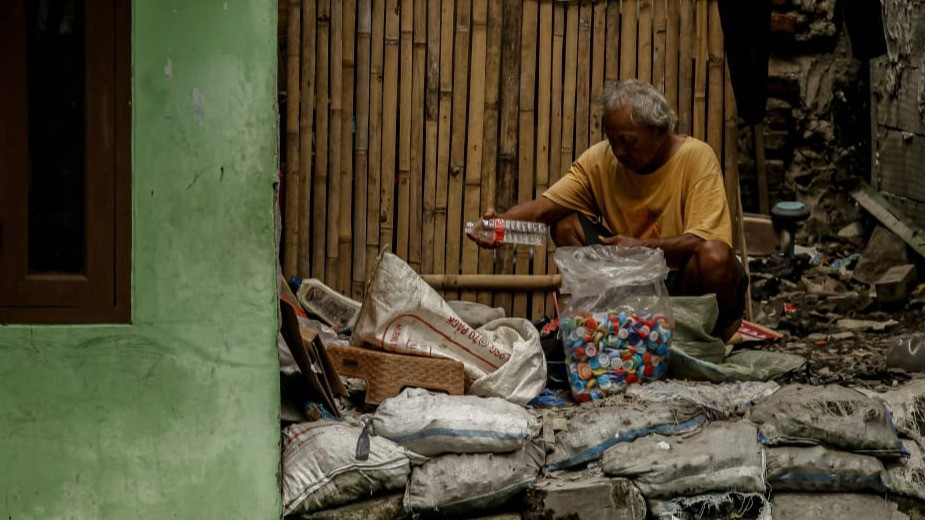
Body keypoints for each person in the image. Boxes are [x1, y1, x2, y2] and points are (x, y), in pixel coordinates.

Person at [467, 78, 746, 342]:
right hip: (628, 285)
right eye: (613, 141)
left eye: (628, 141)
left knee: (715, 257)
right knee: (565, 224)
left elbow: (702, 238)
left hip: (682, 283)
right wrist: (499, 225)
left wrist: (640, 247)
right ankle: (610, 327)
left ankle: (704, 337)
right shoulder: (601, 160)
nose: (619, 151)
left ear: (659, 130)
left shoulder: (696, 156)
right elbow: (545, 208)